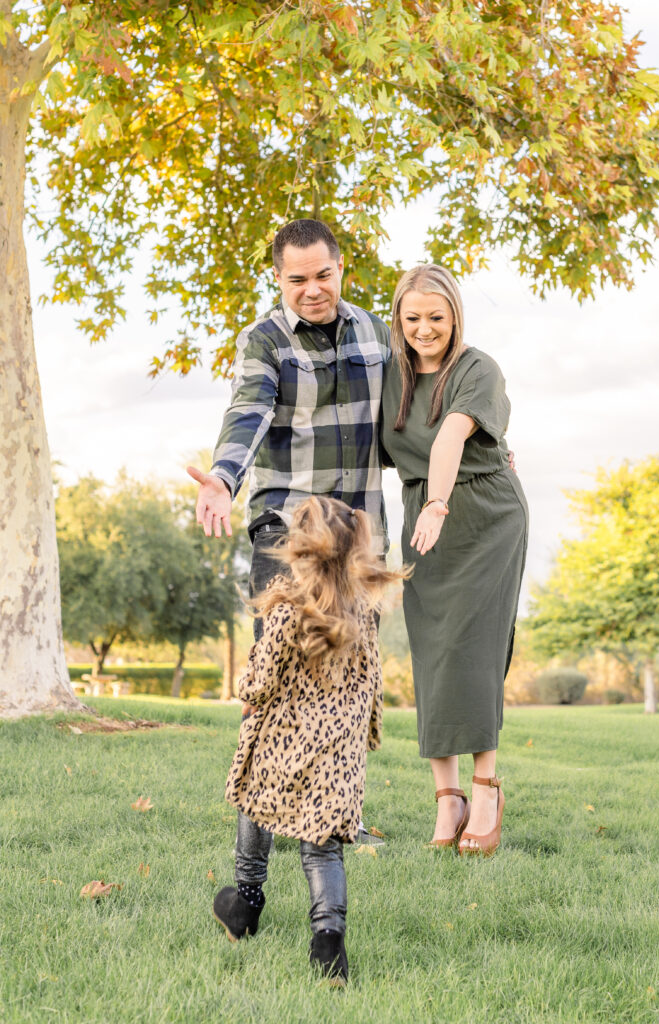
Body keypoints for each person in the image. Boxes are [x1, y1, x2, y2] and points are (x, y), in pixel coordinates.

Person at [187, 218, 391, 844]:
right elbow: (247, 409)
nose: (312, 289)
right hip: (286, 532)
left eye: (323, 275)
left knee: (347, 685)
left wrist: (486, 444)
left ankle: (337, 819)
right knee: (276, 679)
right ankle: (260, 828)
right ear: (279, 278)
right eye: (297, 279)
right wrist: (223, 478)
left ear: (340, 267)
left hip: (355, 541)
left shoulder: (377, 333)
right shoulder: (265, 340)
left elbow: (422, 409)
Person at [212, 497, 407, 985]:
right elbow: (372, 681)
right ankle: (328, 946)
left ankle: (245, 904)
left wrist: (248, 695)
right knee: (322, 849)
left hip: (281, 740)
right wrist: (367, 733)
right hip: (337, 755)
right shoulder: (361, 615)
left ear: (301, 553)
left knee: (257, 809)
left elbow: (259, 681)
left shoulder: (286, 612)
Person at [380, 264, 528, 856]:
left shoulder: (477, 369)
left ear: (455, 315)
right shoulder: (389, 376)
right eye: (412, 317)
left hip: (483, 516)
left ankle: (487, 789)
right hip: (425, 519)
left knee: (474, 650)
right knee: (434, 652)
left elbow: (449, 438)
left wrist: (438, 503)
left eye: (435, 317)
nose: (424, 329)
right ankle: (448, 799)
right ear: (398, 318)